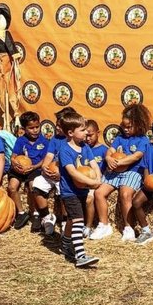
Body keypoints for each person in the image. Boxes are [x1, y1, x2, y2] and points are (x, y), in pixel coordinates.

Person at [90, 104, 151, 241]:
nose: (125, 129)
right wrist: (108, 158)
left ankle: (128, 227)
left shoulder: (143, 140)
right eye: (124, 126)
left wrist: (119, 162)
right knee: (98, 193)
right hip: (114, 172)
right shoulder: (119, 138)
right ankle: (103, 225)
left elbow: (136, 156)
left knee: (125, 194)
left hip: (132, 171)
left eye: (129, 127)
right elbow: (111, 150)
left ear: (139, 124)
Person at [57, 112, 101, 267]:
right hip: (69, 192)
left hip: (81, 191)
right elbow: (73, 172)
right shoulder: (65, 150)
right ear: (70, 133)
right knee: (78, 220)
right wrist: (91, 182)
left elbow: (94, 164)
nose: (86, 132)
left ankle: (66, 242)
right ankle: (81, 256)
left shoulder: (85, 147)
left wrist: (98, 178)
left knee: (71, 219)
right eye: (82, 130)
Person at [31, 107, 75, 235]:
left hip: (65, 174)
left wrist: (61, 174)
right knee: (37, 184)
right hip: (50, 172)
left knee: (64, 192)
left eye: (60, 126)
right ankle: (47, 216)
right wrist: (44, 167)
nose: (57, 128)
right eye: (56, 125)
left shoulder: (73, 141)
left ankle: (65, 221)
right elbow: (49, 155)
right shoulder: (55, 139)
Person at [8, 111, 48, 229]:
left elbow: (45, 159)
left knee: (32, 186)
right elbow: (14, 156)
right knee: (12, 187)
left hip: (35, 168)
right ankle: (21, 213)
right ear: (24, 129)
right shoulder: (21, 140)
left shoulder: (44, 141)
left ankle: (35, 213)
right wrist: (14, 162)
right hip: (20, 168)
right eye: (31, 128)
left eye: (37, 127)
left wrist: (34, 167)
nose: (35, 130)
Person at [84, 119, 108, 237]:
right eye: (86, 136)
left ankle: (88, 226)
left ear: (98, 133)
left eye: (90, 135)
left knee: (89, 198)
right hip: (82, 181)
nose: (88, 139)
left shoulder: (104, 150)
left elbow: (107, 170)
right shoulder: (82, 149)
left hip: (97, 182)